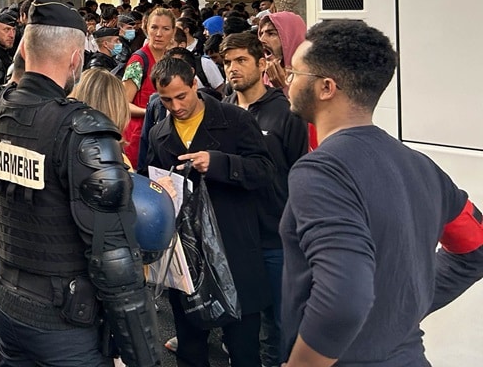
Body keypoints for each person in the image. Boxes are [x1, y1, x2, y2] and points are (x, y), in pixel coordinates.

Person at [0, 0, 165, 367]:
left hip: (10, 308)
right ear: (76, 60)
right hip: (67, 327)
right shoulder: (82, 132)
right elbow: (116, 261)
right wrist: (144, 359)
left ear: (24, 48)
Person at [281, 20, 483, 367]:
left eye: (294, 72)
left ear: (326, 87)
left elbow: (344, 297)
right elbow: (476, 247)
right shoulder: (422, 167)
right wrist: (403, 304)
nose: (287, 81)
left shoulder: (320, 171)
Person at [145, 56, 274, 367]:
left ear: (194, 85)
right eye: (166, 100)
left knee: (244, 348)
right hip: (186, 256)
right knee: (190, 349)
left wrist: (219, 163)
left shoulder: (235, 119)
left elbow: (265, 171)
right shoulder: (159, 133)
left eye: (181, 96)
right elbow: (148, 178)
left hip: (234, 249)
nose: (175, 106)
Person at [220, 30, 308, 367]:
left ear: (262, 64)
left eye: (241, 60)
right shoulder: (222, 109)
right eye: (228, 62)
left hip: (276, 236)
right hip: (234, 236)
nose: (233, 69)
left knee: (280, 323)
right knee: (239, 321)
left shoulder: (286, 112)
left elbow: (298, 171)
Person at [121, 6, 175, 166]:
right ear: (146, 29)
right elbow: (123, 104)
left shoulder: (170, 59)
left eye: (165, 29)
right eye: (154, 27)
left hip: (164, 138)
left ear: (173, 32)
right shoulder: (138, 61)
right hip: (138, 140)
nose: (159, 34)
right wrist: (152, 112)